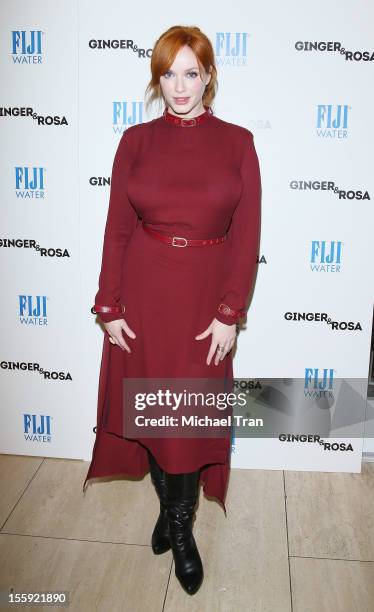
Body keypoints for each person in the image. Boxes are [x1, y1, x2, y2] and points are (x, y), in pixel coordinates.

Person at [83, 25, 261, 596]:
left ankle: (180, 529)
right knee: (153, 415)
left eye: (191, 72)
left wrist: (230, 311)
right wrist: (108, 303)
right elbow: (116, 229)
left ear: (209, 75)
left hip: (205, 300)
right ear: (157, 78)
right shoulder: (134, 141)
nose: (179, 86)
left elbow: (246, 236)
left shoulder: (238, 142)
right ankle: (170, 513)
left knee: (184, 419)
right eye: (168, 73)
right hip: (144, 292)